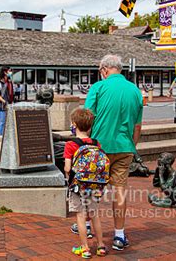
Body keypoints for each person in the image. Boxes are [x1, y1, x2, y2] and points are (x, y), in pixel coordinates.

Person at [84, 54, 143, 251]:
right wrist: (132, 147)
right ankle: (119, 235)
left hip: (100, 146)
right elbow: (137, 126)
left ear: (105, 70)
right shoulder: (135, 91)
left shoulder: (98, 88)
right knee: (119, 191)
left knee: (92, 188)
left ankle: (86, 226)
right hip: (125, 147)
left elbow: (87, 119)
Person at [64, 108, 107, 258]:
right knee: (94, 215)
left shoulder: (70, 144)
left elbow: (68, 167)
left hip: (78, 186)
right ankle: (101, 246)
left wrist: (67, 174)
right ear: (90, 127)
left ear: (74, 124)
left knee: (81, 216)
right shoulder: (96, 143)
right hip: (95, 185)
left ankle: (85, 248)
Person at [0, 67, 14, 135]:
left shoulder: (9, 81)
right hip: (2, 105)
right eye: (9, 71)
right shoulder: (0, 82)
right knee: (2, 121)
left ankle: (5, 136)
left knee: (8, 123)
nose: (11, 72)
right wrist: (4, 102)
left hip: (9, 104)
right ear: (5, 72)